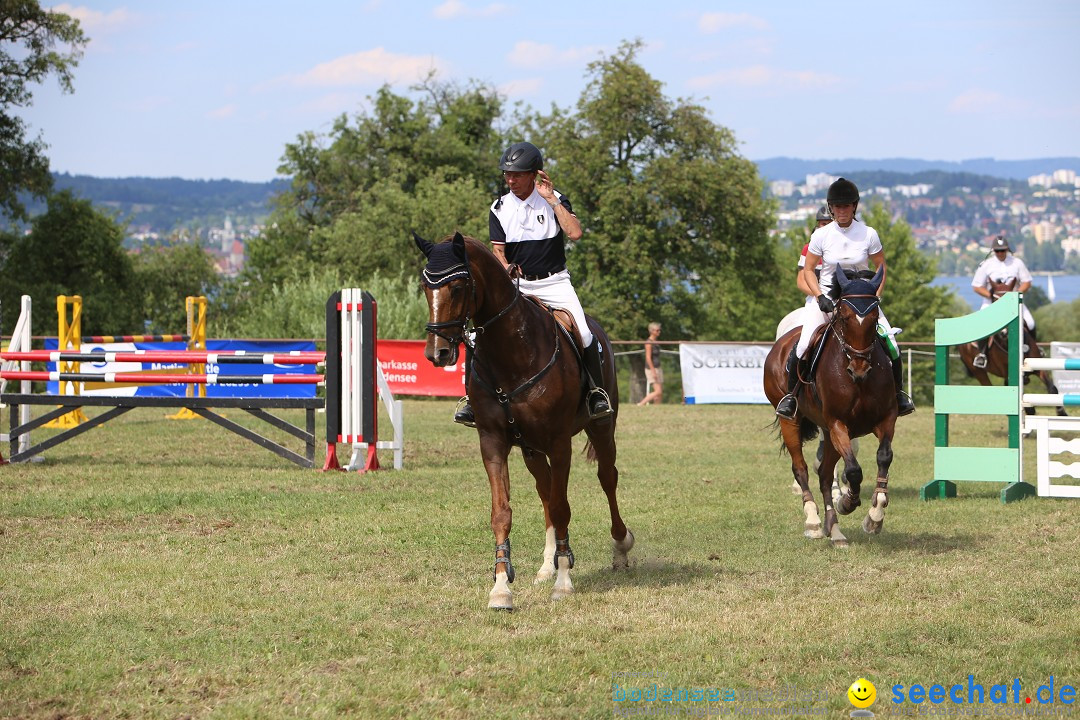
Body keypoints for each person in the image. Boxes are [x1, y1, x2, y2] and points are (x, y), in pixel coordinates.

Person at [453, 141, 613, 425]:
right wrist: (505, 268)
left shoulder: (555, 200)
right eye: (507, 174)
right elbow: (498, 252)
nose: (511, 180)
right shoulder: (499, 207)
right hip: (517, 287)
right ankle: (470, 400)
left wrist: (551, 200)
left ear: (534, 174)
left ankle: (595, 394)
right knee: (478, 335)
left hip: (554, 283)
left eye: (517, 174)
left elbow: (575, 233)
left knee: (586, 334)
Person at [774, 178, 915, 420]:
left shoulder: (869, 234)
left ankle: (899, 395)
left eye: (846, 206)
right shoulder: (822, 235)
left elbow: (881, 268)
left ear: (854, 207)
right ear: (831, 208)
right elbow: (808, 270)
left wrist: (875, 297)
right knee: (805, 342)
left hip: (860, 298)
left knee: (891, 341)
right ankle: (791, 396)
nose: (842, 211)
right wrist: (819, 296)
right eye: (837, 207)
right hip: (828, 296)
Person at [971, 235, 1035, 368]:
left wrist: (1016, 295)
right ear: (993, 251)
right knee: (982, 324)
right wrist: (991, 296)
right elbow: (977, 286)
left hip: (1013, 302)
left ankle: (1034, 351)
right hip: (992, 302)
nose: (1000, 253)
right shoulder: (986, 265)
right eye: (997, 251)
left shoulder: (1017, 263)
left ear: (1007, 250)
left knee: (1030, 323)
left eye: (1003, 250)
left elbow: (1027, 282)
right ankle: (982, 354)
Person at [637, 322, 663, 406]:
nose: (659, 332)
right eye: (657, 330)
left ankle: (657, 408)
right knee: (658, 391)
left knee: (659, 392)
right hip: (651, 368)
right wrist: (653, 371)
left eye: (659, 330)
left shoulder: (656, 342)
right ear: (652, 331)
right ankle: (641, 404)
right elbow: (648, 358)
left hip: (658, 367)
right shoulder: (649, 342)